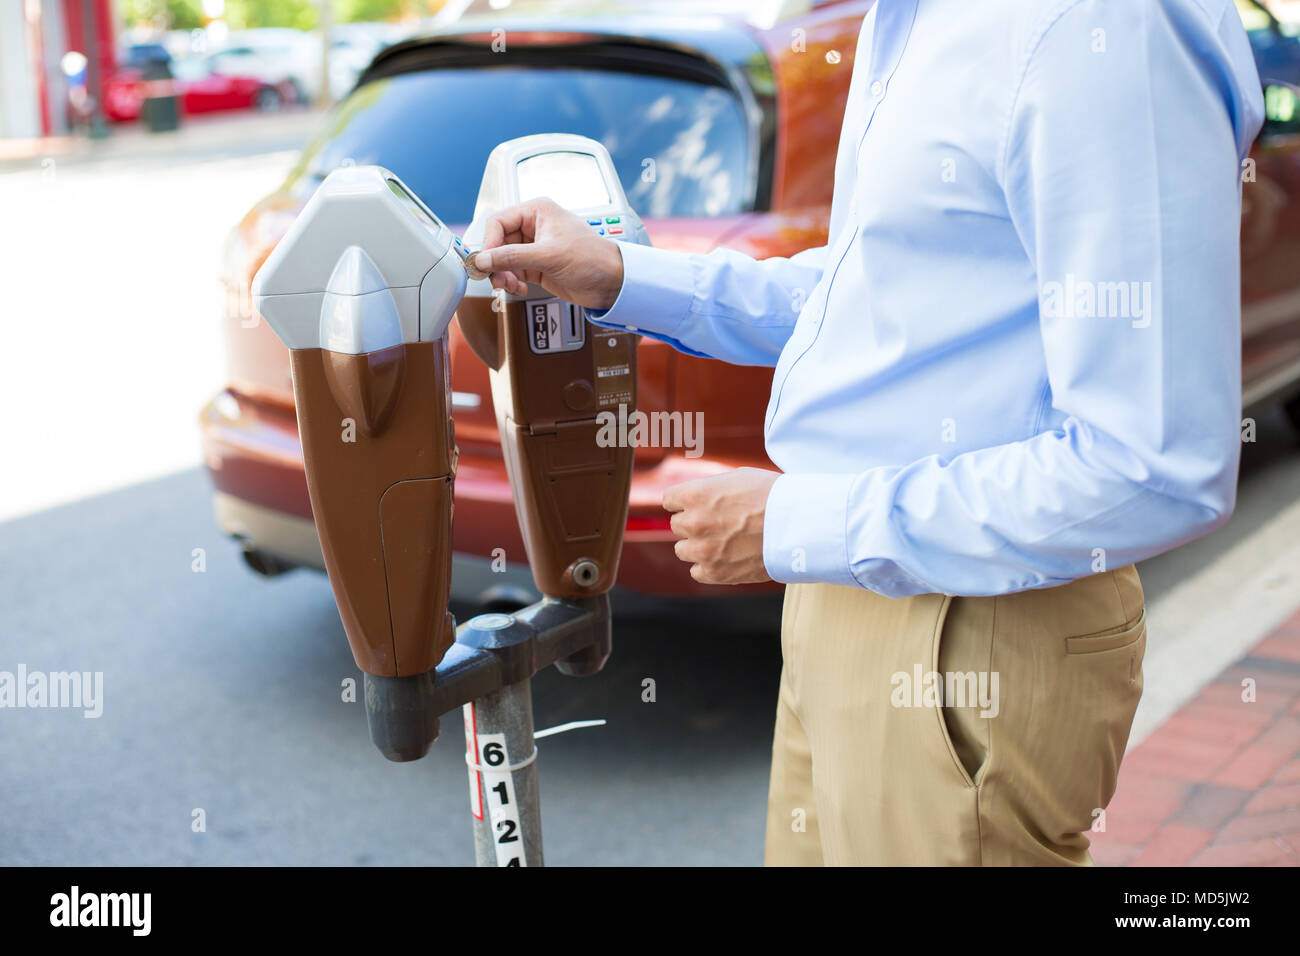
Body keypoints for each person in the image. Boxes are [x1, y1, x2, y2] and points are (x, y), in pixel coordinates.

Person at [470, 0, 1265, 865]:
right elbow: (877, 296)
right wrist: (623, 274)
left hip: (971, 626)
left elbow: (1152, 466)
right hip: (850, 597)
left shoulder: (1096, 26)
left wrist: (799, 524)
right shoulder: (912, 22)